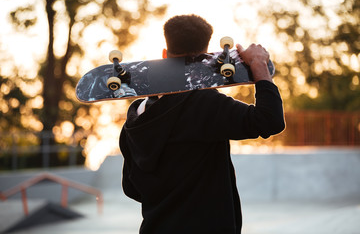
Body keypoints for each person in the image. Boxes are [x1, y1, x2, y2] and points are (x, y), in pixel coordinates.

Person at [119, 14, 285, 234]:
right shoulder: (204, 105)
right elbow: (269, 121)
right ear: (207, 57)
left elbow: (131, 189)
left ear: (164, 55)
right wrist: (259, 65)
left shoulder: (135, 118)